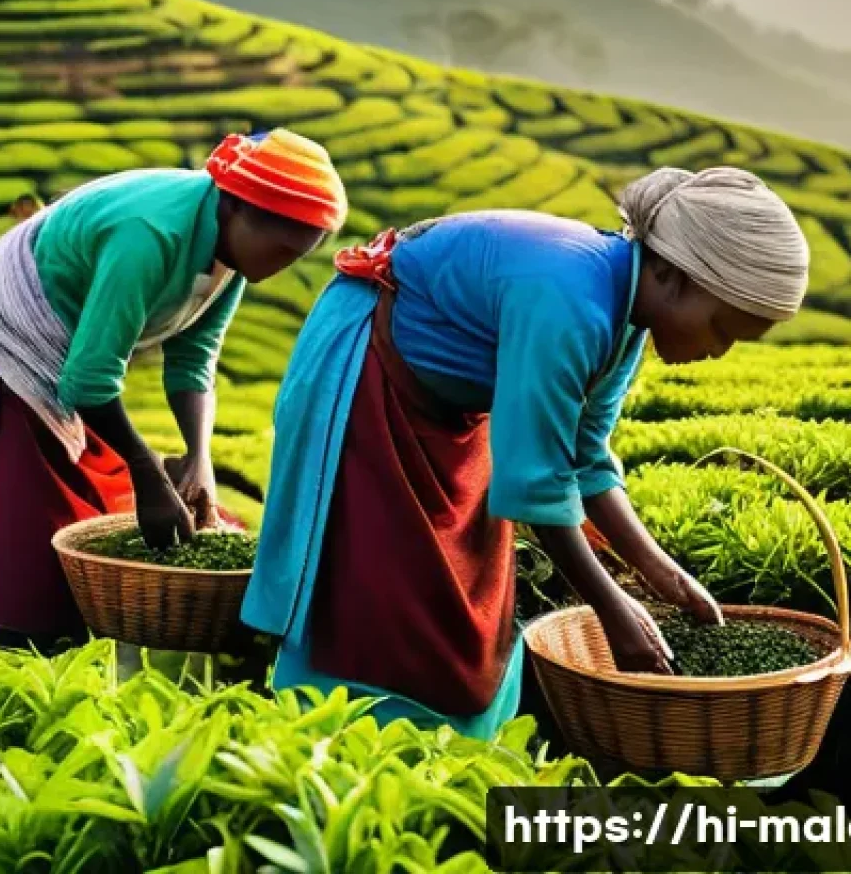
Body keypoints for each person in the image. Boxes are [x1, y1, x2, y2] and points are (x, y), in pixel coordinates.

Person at [241, 166, 810, 740]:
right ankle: (331, 738)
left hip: (447, 411)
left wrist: (661, 571)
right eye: (721, 327)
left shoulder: (627, 316)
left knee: (463, 598)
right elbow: (536, 490)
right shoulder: (571, 301)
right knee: (372, 584)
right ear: (672, 276)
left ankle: (448, 750)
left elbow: (585, 458)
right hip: (367, 373)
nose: (718, 350)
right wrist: (613, 609)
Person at [0, 128, 347, 650]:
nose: (281, 267)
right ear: (237, 208)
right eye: (281, 249)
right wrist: (147, 467)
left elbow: (195, 359)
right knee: (33, 502)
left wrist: (200, 460)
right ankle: (25, 651)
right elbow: (89, 380)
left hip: (66, 343)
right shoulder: (148, 234)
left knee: (97, 490)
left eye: (296, 256)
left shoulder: (230, 251)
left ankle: (61, 631)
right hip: (1, 325)